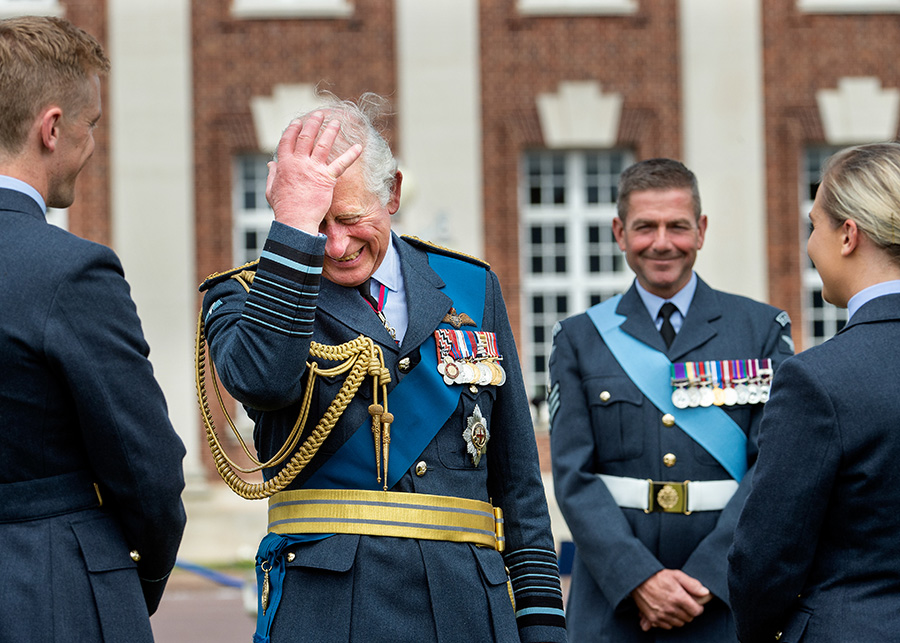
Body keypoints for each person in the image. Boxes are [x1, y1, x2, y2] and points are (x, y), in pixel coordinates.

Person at [198, 92, 566, 643]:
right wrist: (291, 236)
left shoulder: (470, 285)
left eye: (349, 218)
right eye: (316, 225)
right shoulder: (248, 295)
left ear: (392, 193)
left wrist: (542, 625)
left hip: (467, 606)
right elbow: (261, 381)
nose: (336, 245)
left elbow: (516, 483)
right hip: (332, 610)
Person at [548, 158, 794, 642]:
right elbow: (573, 477)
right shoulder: (578, 339)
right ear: (620, 232)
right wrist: (638, 578)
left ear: (701, 230)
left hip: (723, 597)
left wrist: (706, 576)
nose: (662, 243)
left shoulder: (761, 330)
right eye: (645, 227)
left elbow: (774, 469)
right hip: (613, 599)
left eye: (677, 226)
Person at [0, 16, 186, 641]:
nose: (92, 143)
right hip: (48, 587)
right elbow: (148, 468)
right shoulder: (70, 271)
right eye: (91, 125)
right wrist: (132, 577)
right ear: (51, 128)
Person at [727, 143, 900, 643]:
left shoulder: (818, 379)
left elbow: (765, 557)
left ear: (848, 235)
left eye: (814, 224)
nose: (810, 243)